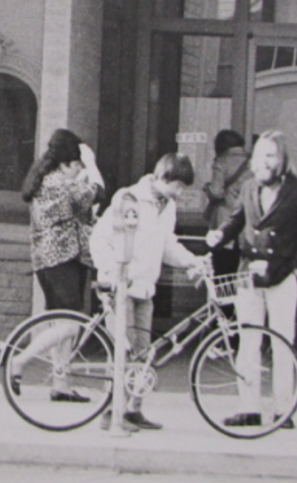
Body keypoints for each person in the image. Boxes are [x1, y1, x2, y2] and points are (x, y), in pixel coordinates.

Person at [206, 130, 297, 429]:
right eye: (260, 155)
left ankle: (284, 409)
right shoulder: (248, 187)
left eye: (271, 155)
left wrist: (295, 267)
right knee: (248, 341)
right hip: (249, 274)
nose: (264, 162)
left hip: (281, 276)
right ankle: (248, 408)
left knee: (282, 343)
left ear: (282, 159)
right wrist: (221, 234)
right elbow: (237, 220)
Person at [90, 152, 209, 432]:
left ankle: (133, 410)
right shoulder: (129, 199)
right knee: (123, 350)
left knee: (143, 354)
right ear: (161, 178)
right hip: (122, 286)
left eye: (183, 188)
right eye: (177, 186)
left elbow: (167, 244)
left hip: (145, 288)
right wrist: (112, 272)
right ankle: (111, 411)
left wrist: (192, 260)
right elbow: (100, 238)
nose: (180, 193)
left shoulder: (166, 207)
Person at [8, 129, 105, 403]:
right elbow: (98, 195)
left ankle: (61, 384)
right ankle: (19, 361)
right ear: (65, 163)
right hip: (61, 259)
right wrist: (93, 163)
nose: (79, 170)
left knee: (62, 323)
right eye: (77, 165)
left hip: (51, 260)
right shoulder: (59, 182)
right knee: (72, 324)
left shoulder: (46, 180)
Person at [203, 129, 251, 277]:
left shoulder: (222, 161)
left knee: (223, 277)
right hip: (246, 225)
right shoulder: (252, 161)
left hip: (225, 222)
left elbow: (217, 192)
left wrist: (207, 188)